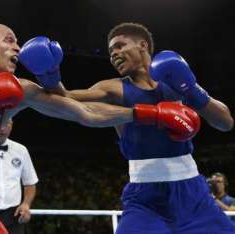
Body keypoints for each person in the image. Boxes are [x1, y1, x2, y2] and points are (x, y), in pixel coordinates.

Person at [0, 23, 199, 234]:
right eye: (9, 41)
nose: (18, 49)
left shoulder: (20, 89)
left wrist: (149, 114)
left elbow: (85, 113)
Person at [18, 22, 235, 233]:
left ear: (143, 45)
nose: (113, 54)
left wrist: (191, 87)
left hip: (193, 193)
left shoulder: (175, 80)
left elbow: (225, 122)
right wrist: (48, 74)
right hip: (145, 198)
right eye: (111, 51)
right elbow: (65, 99)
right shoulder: (114, 88)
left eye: (120, 46)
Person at [0, 119, 38, 234]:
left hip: (14, 214)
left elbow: (30, 183)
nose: (2, 128)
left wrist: (26, 203)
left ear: (11, 126)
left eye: (6, 124)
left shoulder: (21, 150)